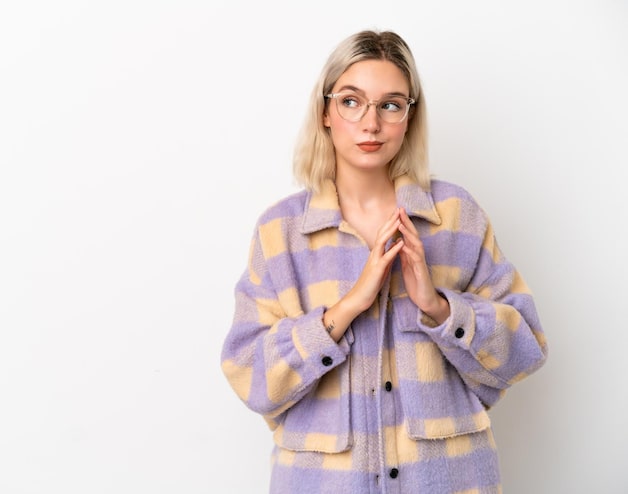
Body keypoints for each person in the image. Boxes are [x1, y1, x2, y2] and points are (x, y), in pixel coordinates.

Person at [220, 29, 548, 494]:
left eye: (390, 105)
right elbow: (250, 376)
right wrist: (346, 309)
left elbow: (525, 349)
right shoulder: (281, 233)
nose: (370, 123)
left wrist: (438, 307)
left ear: (410, 117)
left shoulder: (456, 216)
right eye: (351, 102)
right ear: (325, 112)